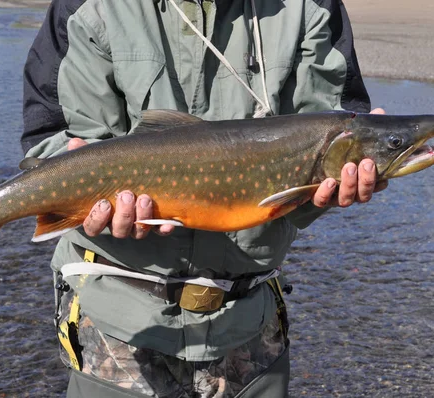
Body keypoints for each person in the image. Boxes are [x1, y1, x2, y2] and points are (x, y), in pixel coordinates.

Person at [21, 0, 386, 396]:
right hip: (113, 325)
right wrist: (76, 183)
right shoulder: (83, 6)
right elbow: (48, 135)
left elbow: (337, 120)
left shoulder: (313, 6)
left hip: (249, 326)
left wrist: (334, 189)